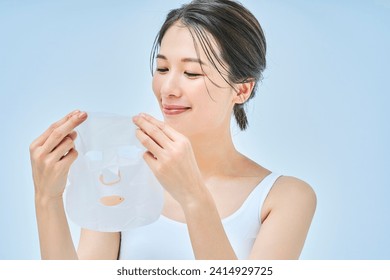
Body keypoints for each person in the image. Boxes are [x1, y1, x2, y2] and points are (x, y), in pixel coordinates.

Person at [30, 0, 316, 260]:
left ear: (241, 89)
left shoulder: (284, 198)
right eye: (163, 68)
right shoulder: (119, 174)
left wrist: (193, 195)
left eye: (191, 73)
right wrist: (47, 198)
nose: (167, 89)